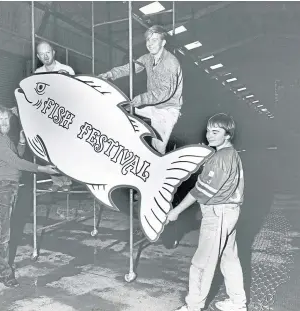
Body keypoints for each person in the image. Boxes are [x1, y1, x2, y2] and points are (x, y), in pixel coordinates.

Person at [166, 113, 247, 311]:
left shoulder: (220, 158)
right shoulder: (232, 154)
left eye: (216, 132)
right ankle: (238, 303)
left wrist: (176, 211)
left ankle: (193, 306)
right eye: (209, 130)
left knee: (202, 262)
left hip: (218, 214)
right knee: (229, 259)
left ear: (227, 135)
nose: (209, 135)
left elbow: (200, 191)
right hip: (230, 212)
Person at [0, 105, 58, 287]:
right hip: (1, 187)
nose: (4, 122)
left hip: (9, 186)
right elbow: (17, 162)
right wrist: (43, 169)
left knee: (2, 228)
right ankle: (5, 274)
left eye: (6, 118)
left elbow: (16, 155)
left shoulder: (4, 138)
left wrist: (22, 141)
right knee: (3, 232)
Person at [98, 25, 183, 155]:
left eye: (154, 40)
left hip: (167, 110)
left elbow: (165, 92)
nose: (150, 43)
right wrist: (110, 74)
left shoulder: (170, 62)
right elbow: (130, 68)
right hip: (153, 105)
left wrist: (142, 99)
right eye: (148, 40)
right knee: (122, 108)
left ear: (163, 42)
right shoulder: (148, 58)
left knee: (157, 150)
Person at [11, 40, 74, 192]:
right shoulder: (37, 74)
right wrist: (21, 106)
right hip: (46, 117)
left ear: (53, 53)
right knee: (46, 150)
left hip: (63, 115)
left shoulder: (66, 70)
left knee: (64, 149)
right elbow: (33, 97)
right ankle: (57, 181)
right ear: (38, 56)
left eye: (48, 53)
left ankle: (67, 181)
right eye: (42, 54)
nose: (45, 56)